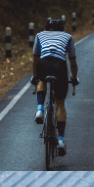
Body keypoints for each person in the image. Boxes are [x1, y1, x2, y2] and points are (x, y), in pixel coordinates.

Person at [31, 17, 79, 156]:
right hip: (59, 66)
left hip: (44, 63)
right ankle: (61, 140)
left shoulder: (40, 35)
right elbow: (73, 61)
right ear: (62, 28)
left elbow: (34, 60)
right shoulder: (68, 37)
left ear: (47, 27)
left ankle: (40, 109)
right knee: (60, 104)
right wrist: (74, 78)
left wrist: (35, 76)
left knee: (42, 81)